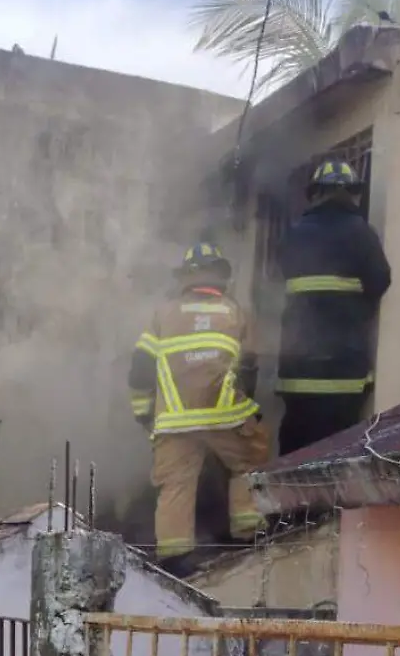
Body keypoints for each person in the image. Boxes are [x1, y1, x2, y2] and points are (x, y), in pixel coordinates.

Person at [128, 243, 270, 576]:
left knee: (175, 483)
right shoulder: (236, 313)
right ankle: (248, 534)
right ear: (220, 275)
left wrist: (144, 414)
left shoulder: (162, 315)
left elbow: (140, 370)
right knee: (248, 463)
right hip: (225, 415)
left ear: (184, 278)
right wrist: (247, 408)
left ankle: (175, 558)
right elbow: (249, 368)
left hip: (174, 420)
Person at [275, 159, 392, 456]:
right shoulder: (362, 233)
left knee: (294, 453)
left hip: (297, 371)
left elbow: (281, 275)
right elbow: (380, 281)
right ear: (353, 194)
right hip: (344, 371)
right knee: (337, 454)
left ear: (315, 194)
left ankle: (290, 488)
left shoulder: (294, 234)